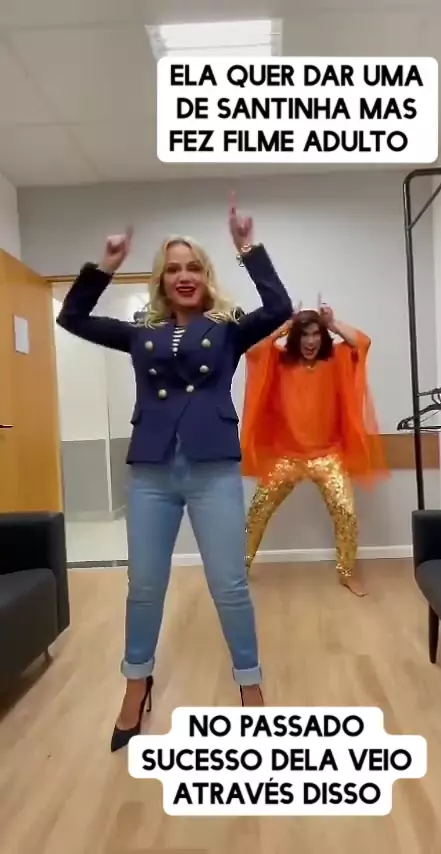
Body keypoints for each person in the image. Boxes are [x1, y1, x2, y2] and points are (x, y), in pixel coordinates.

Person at [56, 194, 293, 751]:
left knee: (229, 585)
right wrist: (106, 265)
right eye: (173, 268)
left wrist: (247, 248)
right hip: (152, 472)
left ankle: (250, 685)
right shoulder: (141, 333)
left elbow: (279, 306)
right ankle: (136, 685)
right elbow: (72, 318)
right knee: (144, 586)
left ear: (205, 276)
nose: (183, 276)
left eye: (193, 267)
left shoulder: (229, 329)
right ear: (161, 280)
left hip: (212, 469)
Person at [241, 301, 388, 597]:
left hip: (327, 456)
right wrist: (284, 326)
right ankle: (238, 570)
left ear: (323, 337)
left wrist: (332, 324)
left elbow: (362, 342)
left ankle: (347, 572)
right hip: (286, 457)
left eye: (316, 334)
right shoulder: (279, 362)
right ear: (296, 337)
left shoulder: (335, 360)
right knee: (257, 512)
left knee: (346, 514)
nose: (310, 341)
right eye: (304, 334)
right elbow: (253, 351)